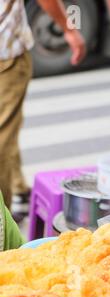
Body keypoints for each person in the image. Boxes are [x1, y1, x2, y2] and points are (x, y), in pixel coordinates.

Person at [0, 0, 86, 223]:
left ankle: (15, 195)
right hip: (6, 55)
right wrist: (69, 30)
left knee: (6, 127)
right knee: (3, 134)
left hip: (5, 55)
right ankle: (7, 210)